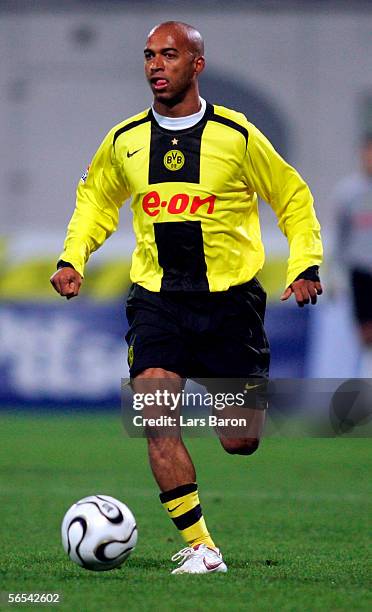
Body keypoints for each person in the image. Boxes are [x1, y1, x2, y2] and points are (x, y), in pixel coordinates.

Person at [50, 21, 323, 574]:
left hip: (231, 305)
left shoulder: (237, 136)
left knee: (240, 441)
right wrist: (72, 257)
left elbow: (291, 197)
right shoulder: (124, 140)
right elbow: (96, 203)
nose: (156, 65)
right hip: (158, 301)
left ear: (196, 64)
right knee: (155, 409)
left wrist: (305, 264)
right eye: (149, 55)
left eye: (169, 55)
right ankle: (202, 547)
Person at [333, 133, 372, 376]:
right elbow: (339, 236)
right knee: (365, 332)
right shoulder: (349, 193)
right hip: (362, 272)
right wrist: (335, 275)